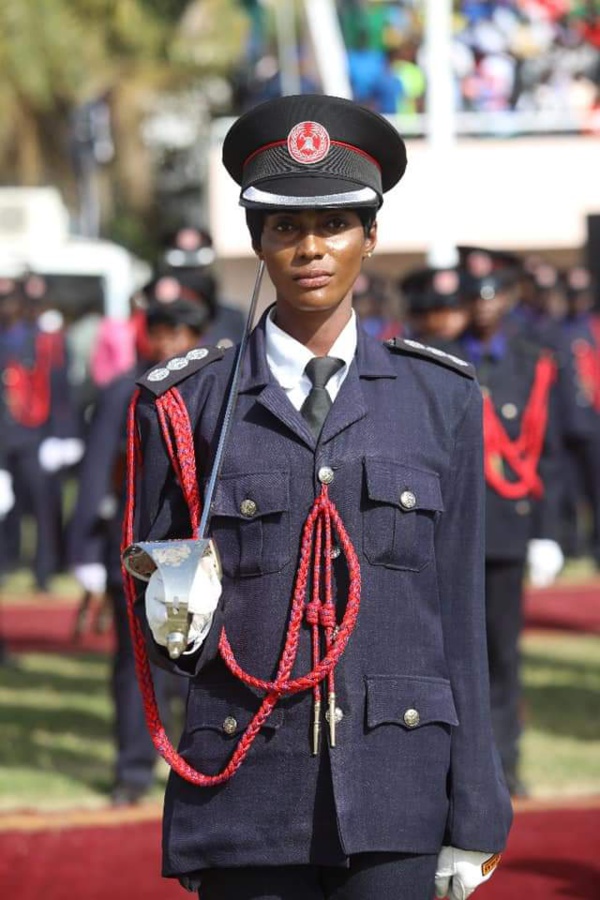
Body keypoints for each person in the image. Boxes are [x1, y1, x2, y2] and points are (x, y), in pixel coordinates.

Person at [124, 94, 512, 900]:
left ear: (371, 236)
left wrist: (476, 813)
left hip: (400, 790)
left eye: (335, 224)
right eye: (285, 228)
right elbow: (157, 620)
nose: (310, 249)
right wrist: (175, 619)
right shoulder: (186, 406)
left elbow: (461, 621)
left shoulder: (440, 399)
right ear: (258, 240)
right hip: (246, 788)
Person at [68, 293, 210, 805]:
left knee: (199, 660)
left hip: (198, 550)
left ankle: (200, 766)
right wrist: (83, 544)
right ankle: (132, 771)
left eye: (183, 330)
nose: (172, 341)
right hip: (137, 549)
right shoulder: (125, 391)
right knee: (136, 665)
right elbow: (96, 468)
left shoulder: (218, 385)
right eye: (163, 330)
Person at [457, 251, 564, 798]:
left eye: (492, 295)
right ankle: (459, 768)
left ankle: (504, 762)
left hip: (506, 528)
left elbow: (549, 454)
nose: (483, 307)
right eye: (473, 296)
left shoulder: (531, 361)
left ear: (510, 298)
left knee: (503, 652)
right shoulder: (441, 359)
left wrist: (548, 530)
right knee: (453, 654)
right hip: (450, 533)